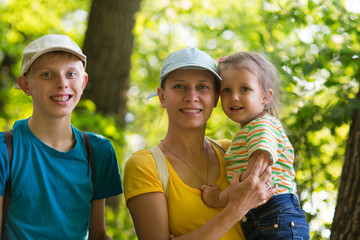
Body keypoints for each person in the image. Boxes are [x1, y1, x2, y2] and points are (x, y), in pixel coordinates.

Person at [123, 48, 277, 240]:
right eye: (179, 86)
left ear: (216, 97)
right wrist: (237, 207)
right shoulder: (146, 165)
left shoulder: (233, 152)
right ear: (162, 96)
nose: (191, 96)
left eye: (203, 87)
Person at [0, 34, 123, 239]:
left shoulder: (98, 151)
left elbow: (98, 234)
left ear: (83, 82)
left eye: (71, 74)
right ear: (25, 85)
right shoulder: (6, 149)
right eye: (47, 75)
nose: (62, 83)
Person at [201, 51, 309, 239]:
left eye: (244, 89)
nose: (234, 97)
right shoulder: (250, 130)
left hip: (275, 215)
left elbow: (252, 181)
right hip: (266, 217)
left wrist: (218, 199)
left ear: (265, 97)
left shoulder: (262, 126)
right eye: (227, 90)